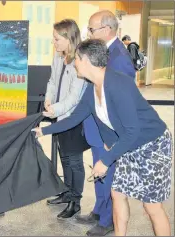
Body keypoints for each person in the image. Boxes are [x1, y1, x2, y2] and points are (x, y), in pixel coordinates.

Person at [32, 39, 172, 236]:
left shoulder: (118, 85)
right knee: (117, 194)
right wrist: (44, 131)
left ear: (87, 60)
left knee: (152, 207)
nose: (75, 64)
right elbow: (75, 117)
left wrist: (105, 160)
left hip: (152, 144)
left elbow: (132, 131)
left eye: (77, 60)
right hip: (127, 144)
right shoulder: (92, 87)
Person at [73, 10, 136, 236]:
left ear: (107, 29)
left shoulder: (119, 57)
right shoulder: (102, 52)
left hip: (109, 131)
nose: (88, 33)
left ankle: (108, 220)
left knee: (109, 174)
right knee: (99, 172)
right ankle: (100, 210)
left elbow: (122, 99)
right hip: (96, 127)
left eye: (91, 29)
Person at [42, 19, 88, 219]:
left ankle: (75, 201)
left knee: (74, 161)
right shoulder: (58, 57)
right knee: (64, 156)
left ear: (69, 38)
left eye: (57, 39)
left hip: (73, 118)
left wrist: (56, 110)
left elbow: (74, 97)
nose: (54, 42)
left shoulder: (80, 60)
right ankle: (67, 191)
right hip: (59, 114)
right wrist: (48, 99)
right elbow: (52, 81)